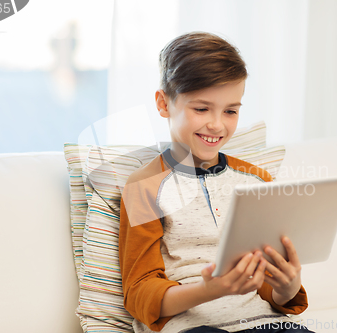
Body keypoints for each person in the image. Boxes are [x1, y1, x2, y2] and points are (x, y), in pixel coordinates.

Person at [119, 32, 313, 333]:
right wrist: (210, 290)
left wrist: (287, 288)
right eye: (201, 108)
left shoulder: (256, 179)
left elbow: (264, 285)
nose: (217, 124)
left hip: (262, 323)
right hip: (189, 327)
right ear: (164, 104)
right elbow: (139, 293)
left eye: (231, 111)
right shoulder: (144, 186)